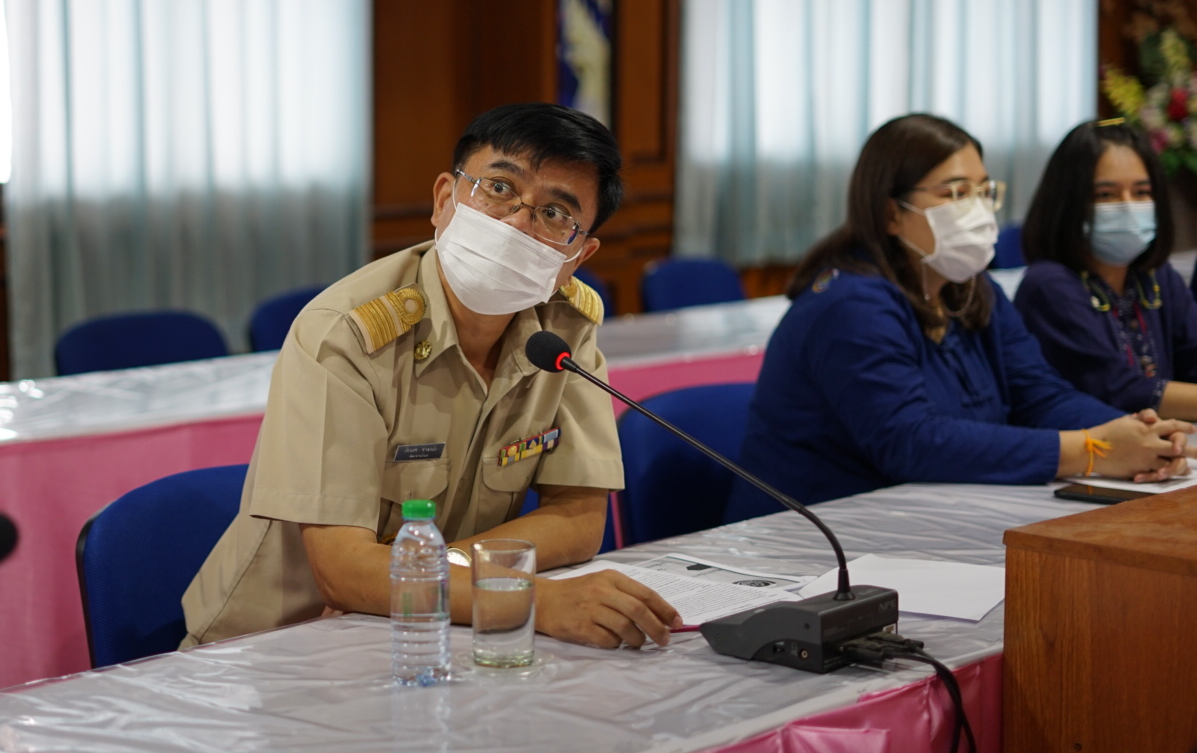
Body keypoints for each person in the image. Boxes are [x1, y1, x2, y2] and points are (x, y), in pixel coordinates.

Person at [182, 103, 680, 650]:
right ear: (446, 200)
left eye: (555, 214)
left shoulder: (562, 331)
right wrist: (524, 595)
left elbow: (580, 518)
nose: (517, 221)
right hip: (273, 648)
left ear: (577, 256)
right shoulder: (344, 333)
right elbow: (343, 572)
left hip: (435, 624)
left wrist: (447, 567)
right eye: (498, 189)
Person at [725, 113, 1190, 522]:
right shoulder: (851, 304)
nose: (978, 209)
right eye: (956, 193)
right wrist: (1092, 450)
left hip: (923, 516)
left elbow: (1040, 396)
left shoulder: (970, 287)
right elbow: (912, 441)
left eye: (983, 191)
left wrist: (1142, 436)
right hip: (813, 540)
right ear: (891, 213)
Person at [1014, 120, 1197, 418]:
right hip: (1087, 454)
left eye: (1141, 192)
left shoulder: (1155, 276)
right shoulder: (1048, 285)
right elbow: (1118, 390)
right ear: (1069, 203)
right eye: (1106, 195)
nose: (1127, 206)